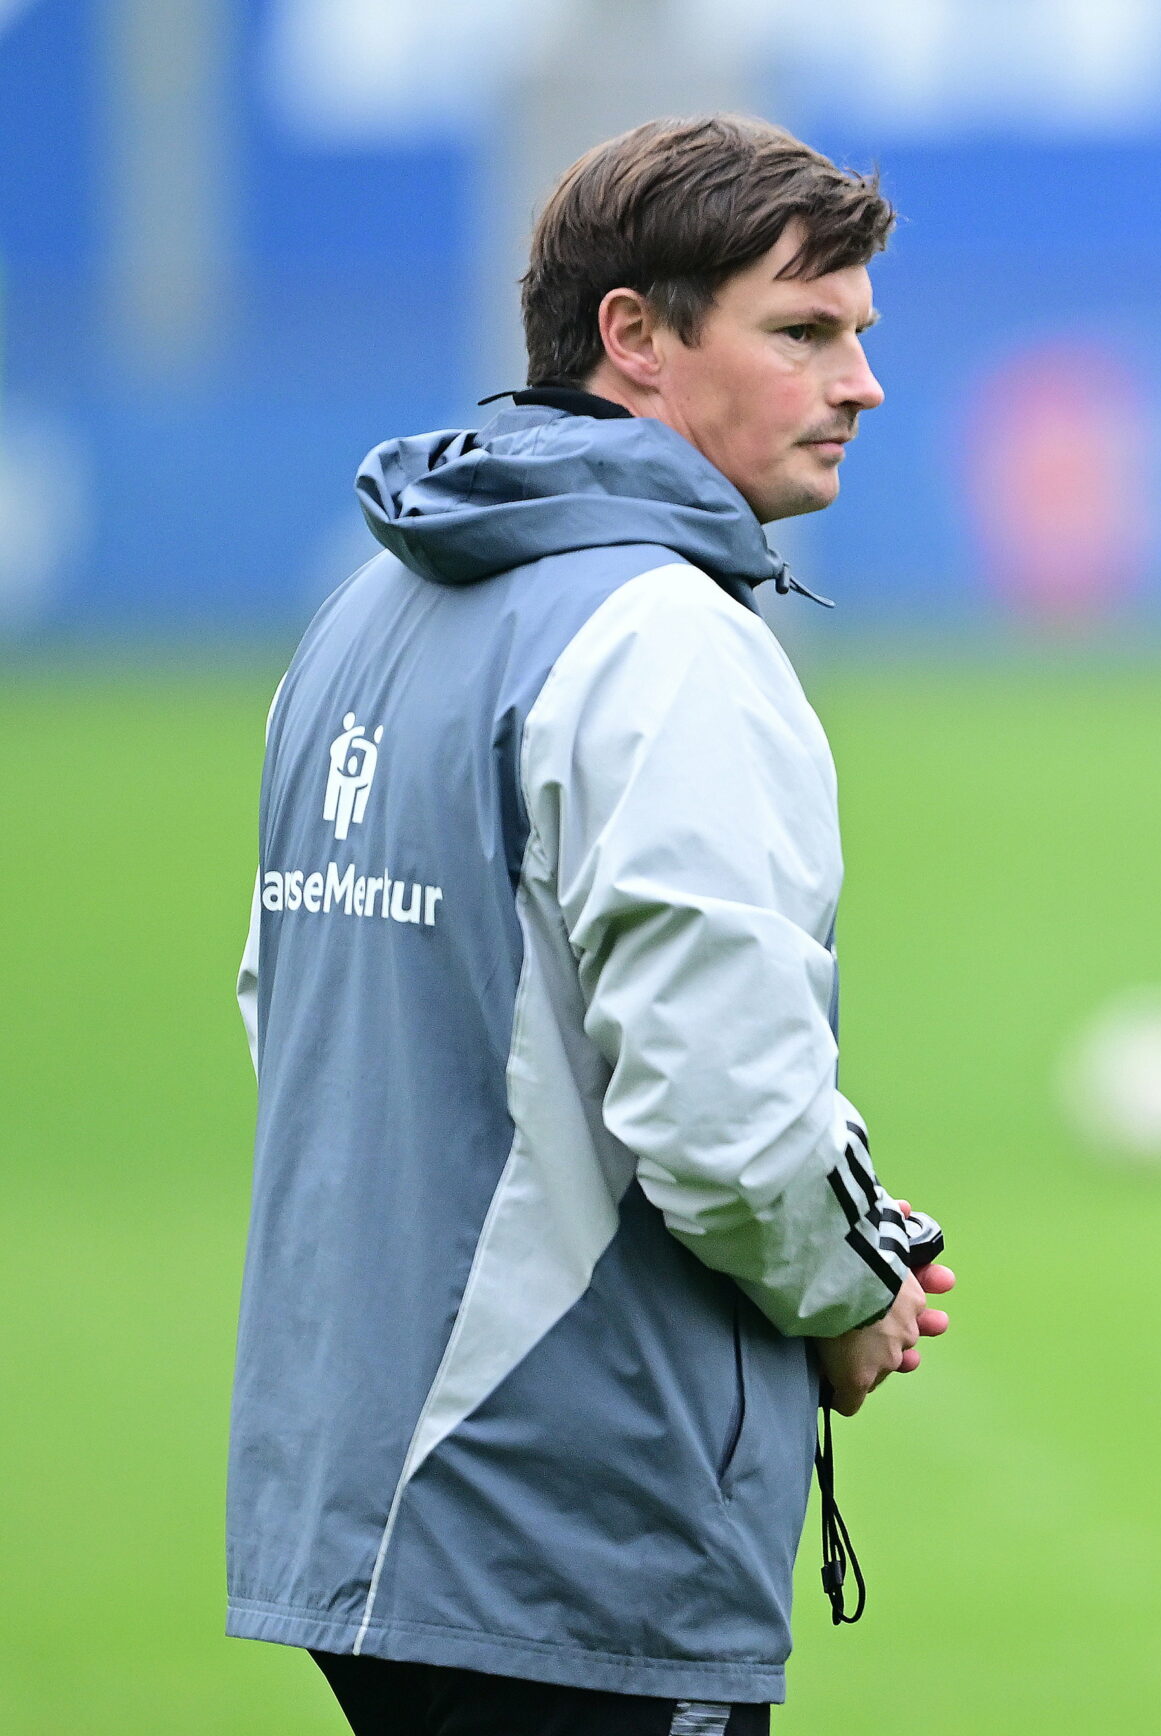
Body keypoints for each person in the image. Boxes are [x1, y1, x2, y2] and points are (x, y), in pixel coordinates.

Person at [229, 115, 953, 1736]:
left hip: (354, 1488)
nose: (860, 384)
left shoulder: (358, 619)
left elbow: (295, 1022)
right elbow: (726, 1114)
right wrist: (849, 1289)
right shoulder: (662, 634)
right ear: (634, 335)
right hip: (564, 1518)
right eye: (803, 331)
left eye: (857, 332)